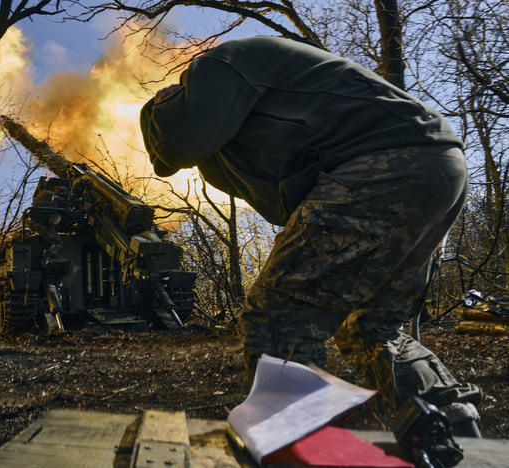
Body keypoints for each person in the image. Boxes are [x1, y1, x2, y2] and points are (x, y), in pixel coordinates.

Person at [140, 36, 482, 436]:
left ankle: (298, 446)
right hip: (436, 167)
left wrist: (155, 108)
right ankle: (453, 430)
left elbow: (181, 143)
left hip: (383, 165)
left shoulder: (220, 64)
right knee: (370, 326)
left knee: (280, 316)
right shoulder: (262, 100)